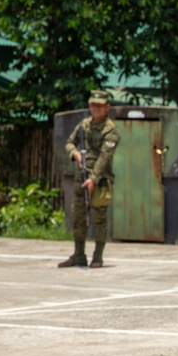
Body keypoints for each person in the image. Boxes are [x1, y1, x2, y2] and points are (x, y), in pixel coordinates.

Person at [60, 90, 120, 268]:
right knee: (78, 217)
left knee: (99, 218)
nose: (96, 108)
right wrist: (75, 154)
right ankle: (79, 255)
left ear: (107, 107)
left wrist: (93, 179)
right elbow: (69, 142)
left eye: (100, 105)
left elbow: (104, 158)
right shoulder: (84, 125)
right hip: (81, 178)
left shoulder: (111, 131)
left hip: (100, 181)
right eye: (93, 105)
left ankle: (98, 256)